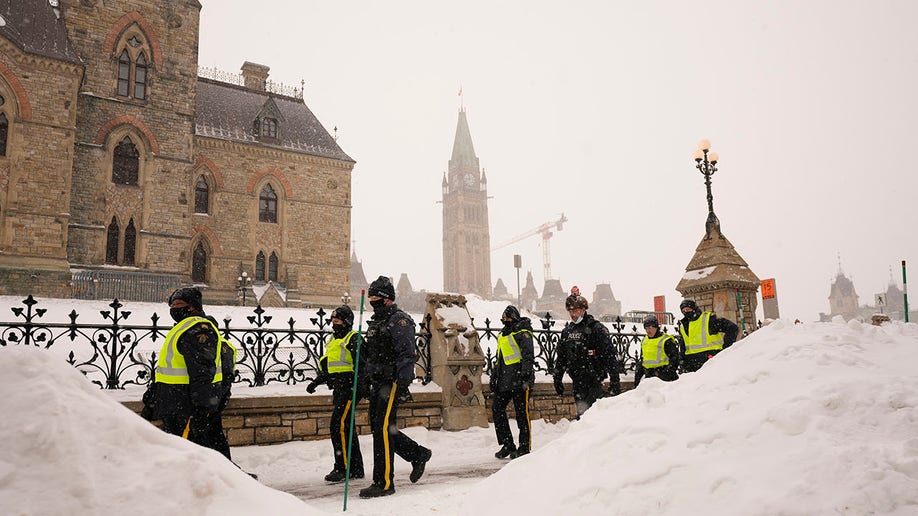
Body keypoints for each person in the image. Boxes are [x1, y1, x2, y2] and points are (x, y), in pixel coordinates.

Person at [358, 276, 432, 498]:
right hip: (377, 383)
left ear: (387, 299)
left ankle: (384, 482)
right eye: (370, 297)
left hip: (391, 383)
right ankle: (417, 454)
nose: (371, 300)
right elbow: (372, 355)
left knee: (382, 428)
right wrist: (364, 377)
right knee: (380, 428)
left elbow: (407, 353)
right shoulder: (376, 322)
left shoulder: (399, 321)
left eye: (375, 297)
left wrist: (402, 382)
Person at [143, 287, 229, 456]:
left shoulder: (198, 329)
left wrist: (201, 410)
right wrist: (153, 398)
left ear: (192, 307)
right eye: (172, 304)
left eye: (178, 304)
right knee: (200, 451)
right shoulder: (183, 328)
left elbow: (203, 371)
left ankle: (229, 480)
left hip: (187, 405)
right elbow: (169, 368)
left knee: (191, 455)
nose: (174, 308)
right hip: (176, 403)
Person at [306, 305, 365, 483]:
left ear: (346, 322)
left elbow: (362, 366)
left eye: (337, 321)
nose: (334, 324)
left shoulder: (353, 339)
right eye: (332, 321)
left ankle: (342, 467)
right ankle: (355, 468)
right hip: (339, 387)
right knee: (347, 427)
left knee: (337, 425)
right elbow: (330, 366)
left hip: (349, 388)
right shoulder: (333, 339)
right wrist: (316, 381)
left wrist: (358, 387)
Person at [552, 292, 621, 418]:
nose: (573, 314)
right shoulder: (567, 332)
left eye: (576, 311)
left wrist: (615, 380)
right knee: (582, 419)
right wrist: (557, 378)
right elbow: (562, 357)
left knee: (595, 419)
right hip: (577, 382)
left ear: (583, 310)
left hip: (594, 381)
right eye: (570, 311)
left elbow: (609, 356)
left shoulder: (596, 329)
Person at [490, 305, 535, 460]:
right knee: (497, 409)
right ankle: (508, 444)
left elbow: (528, 355)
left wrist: (526, 376)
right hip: (504, 379)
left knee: (522, 414)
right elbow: (500, 357)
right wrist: (494, 376)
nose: (505, 321)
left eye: (507, 318)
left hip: (519, 379)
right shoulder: (502, 334)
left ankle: (524, 446)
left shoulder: (523, 332)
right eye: (503, 319)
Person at [677, 299, 738, 373]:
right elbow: (683, 345)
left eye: (688, 309)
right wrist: (682, 361)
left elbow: (732, 328)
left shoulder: (709, 319)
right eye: (683, 311)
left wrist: (727, 347)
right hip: (692, 364)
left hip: (710, 359)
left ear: (694, 308)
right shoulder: (683, 326)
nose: (686, 312)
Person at [633, 314, 680, 388]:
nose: (648, 331)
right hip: (649, 378)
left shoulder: (666, 340)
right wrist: (637, 377)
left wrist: (666, 374)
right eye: (646, 328)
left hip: (665, 379)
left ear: (656, 327)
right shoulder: (644, 340)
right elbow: (643, 359)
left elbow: (675, 359)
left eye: (650, 328)